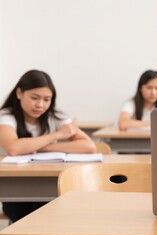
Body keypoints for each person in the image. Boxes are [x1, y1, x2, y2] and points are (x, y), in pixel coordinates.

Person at [0, 69, 96, 222]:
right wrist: (57, 136)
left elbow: (88, 146)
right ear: (19, 93)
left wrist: (37, 146)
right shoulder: (7, 116)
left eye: (46, 99)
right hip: (16, 193)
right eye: (34, 98)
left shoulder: (56, 117)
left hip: (50, 187)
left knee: (56, 201)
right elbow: (13, 148)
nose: (40, 105)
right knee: (47, 211)